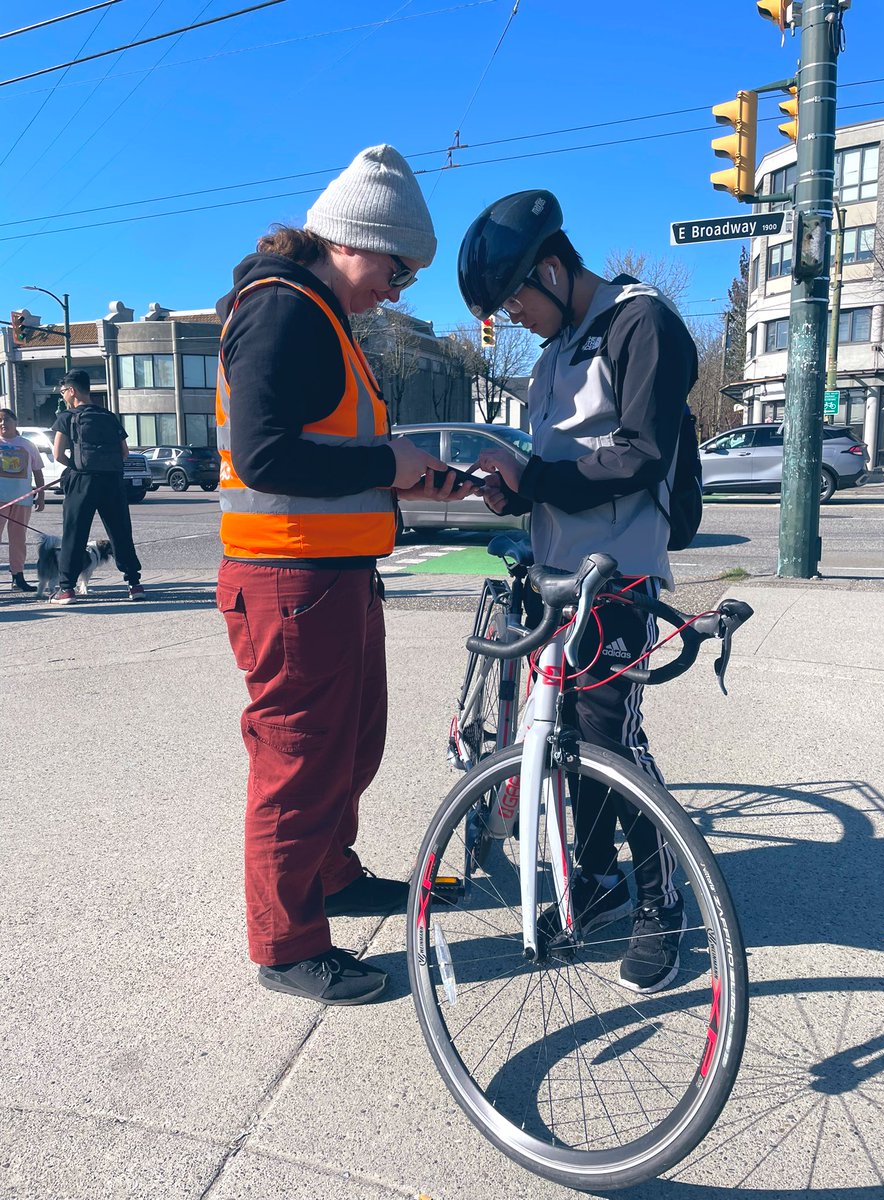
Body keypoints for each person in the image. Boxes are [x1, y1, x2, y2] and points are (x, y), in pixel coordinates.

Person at [216, 144, 475, 1007]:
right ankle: (287, 945)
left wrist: (425, 474)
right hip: (288, 579)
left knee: (347, 748)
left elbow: (343, 450)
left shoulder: (321, 315)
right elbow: (264, 455)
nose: (398, 290)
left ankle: (330, 875)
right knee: (297, 759)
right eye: (396, 268)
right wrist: (385, 462)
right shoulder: (283, 309)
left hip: (330, 575)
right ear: (352, 238)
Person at [457, 190, 699, 994]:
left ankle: (663, 904)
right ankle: (591, 878)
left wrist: (539, 478)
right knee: (563, 747)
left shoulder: (642, 322)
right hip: (557, 574)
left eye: (517, 298)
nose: (515, 316)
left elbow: (638, 452)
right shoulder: (555, 348)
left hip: (619, 574)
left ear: (554, 269)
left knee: (610, 742)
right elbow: (554, 469)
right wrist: (512, 492)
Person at [50, 370, 144, 604]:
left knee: (75, 532)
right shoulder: (109, 416)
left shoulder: (66, 417)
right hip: (112, 480)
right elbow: (124, 452)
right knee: (120, 531)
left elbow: (57, 454)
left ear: (72, 390)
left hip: (82, 480)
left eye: (63, 392)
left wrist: (75, 466)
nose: (63, 397)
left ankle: (66, 589)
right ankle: (134, 584)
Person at [0, 407, 45, 591]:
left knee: (18, 540)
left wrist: (40, 496)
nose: (3, 423)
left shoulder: (27, 444)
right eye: (0, 420)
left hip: (21, 499)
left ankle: (17, 576)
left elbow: (38, 472)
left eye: (6, 419)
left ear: (15, 422)